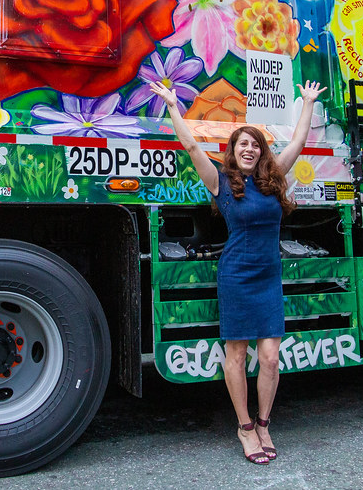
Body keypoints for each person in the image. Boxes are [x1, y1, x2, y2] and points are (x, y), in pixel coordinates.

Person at [150, 78, 326, 465]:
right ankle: (245, 427)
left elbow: (296, 143)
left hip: (268, 275)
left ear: (262, 152)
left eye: (255, 144)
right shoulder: (221, 184)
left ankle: (265, 422)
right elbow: (192, 146)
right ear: (232, 152)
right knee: (237, 353)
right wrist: (172, 106)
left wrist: (307, 102)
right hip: (236, 275)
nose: (249, 149)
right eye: (242, 144)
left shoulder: (273, 179)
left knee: (269, 357)